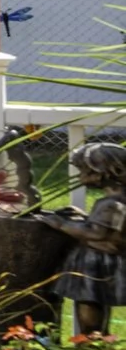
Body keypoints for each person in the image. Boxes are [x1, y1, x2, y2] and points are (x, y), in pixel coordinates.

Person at [41, 140, 126, 337]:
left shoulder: (112, 204)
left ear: (104, 172)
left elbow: (97, 233)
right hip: (105, 262)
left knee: (89, 304)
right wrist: (82, 216)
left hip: (96, 264)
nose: (80, 176)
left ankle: (91, 344)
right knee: (98, 305)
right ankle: (97, 345)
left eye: (84, 171)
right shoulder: (116, 200)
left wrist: (61, 224)